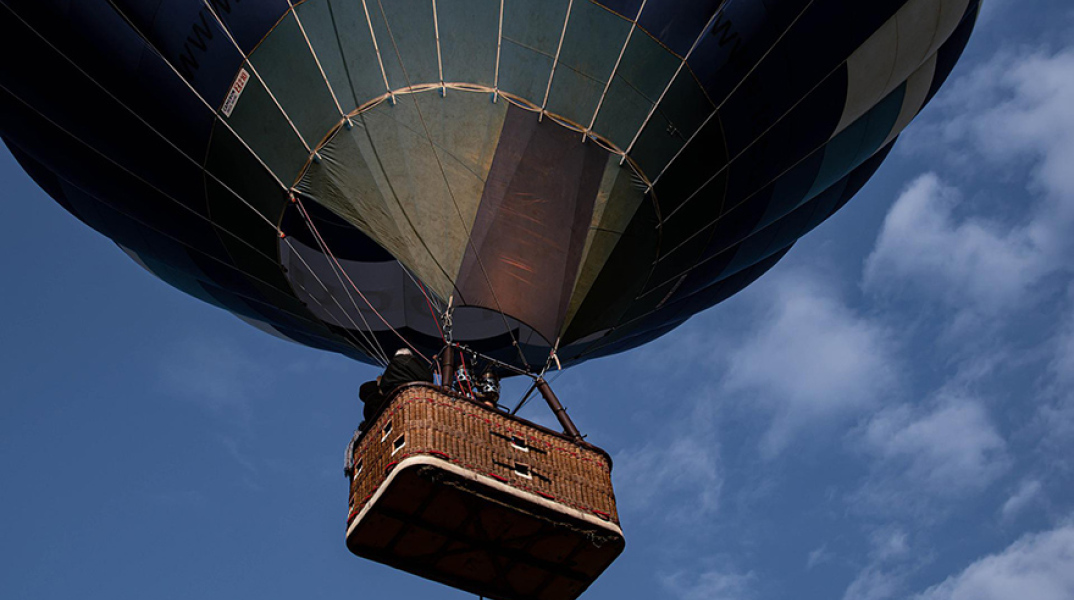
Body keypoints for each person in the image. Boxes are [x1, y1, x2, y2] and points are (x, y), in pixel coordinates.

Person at [358, 348, 434, 426]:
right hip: (421, 403)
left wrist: (379, 384)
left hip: (399, 410)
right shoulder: (422, 369)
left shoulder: (390, 371)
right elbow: (429, 379)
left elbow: (385, 387)